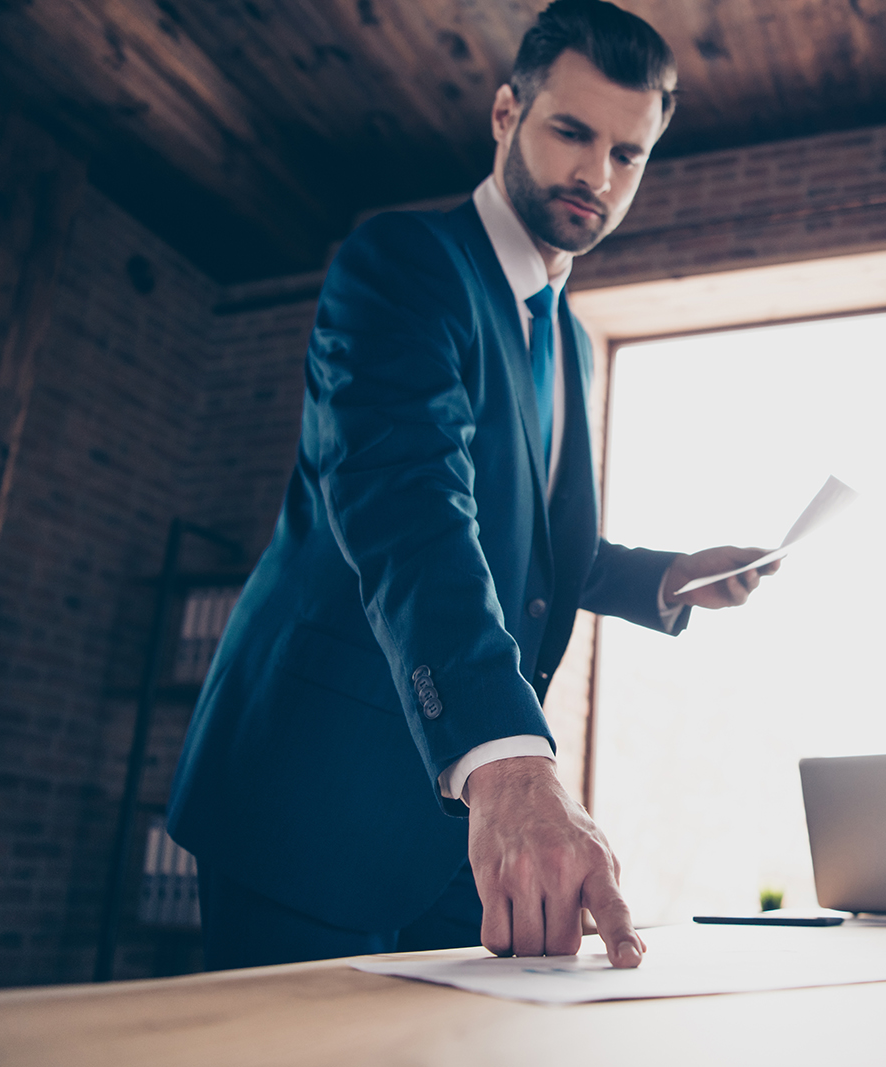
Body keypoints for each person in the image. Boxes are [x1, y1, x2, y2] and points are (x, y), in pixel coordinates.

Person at [168, 0, 777, 972]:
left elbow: (518, 545)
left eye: (629, 153)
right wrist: (508, 754)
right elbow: (411, 504)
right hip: (316, 792)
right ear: (505, 116)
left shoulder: (567, 337)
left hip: (447, 820)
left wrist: (661, 578)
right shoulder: (403, 263)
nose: (597, 174)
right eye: (571, 131)